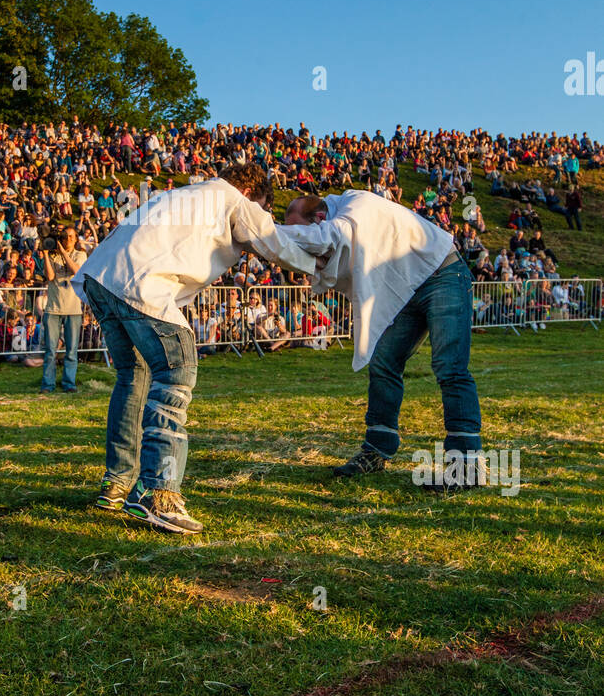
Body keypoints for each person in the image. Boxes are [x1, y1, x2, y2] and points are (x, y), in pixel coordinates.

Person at [73, 163, 315, 534]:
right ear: (254, 194)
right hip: (141, 284)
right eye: (264, 205)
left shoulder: (183, 195)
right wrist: (327, 264)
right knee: (177, 368)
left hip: (101, 277)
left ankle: (117, 482)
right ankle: (157, 491)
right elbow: (276, 244)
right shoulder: (233, 198)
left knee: (133, 377)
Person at [282, 189, 482, 492]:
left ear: (320, 218)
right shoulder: (340, 213)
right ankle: (377, 450)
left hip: (443, 275)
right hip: (408, 287)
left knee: (450, 366)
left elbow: (328, 240)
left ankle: (466, 465)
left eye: (303, 229)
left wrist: (264, 234)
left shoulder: (354, 207)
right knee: (383, 361)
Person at [40, 225, 87, 393]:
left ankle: (69, 383)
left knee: (71, 351)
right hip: (53, 308)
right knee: (51, 351)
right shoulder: (53, 255)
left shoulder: (80, 254)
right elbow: (50, 276)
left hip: (73, 309)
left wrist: (62, 251)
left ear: (76, 239)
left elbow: (77, 271)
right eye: (65, 236)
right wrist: (46, 253)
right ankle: (47, 384)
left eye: (71, 237)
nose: (68, 240)